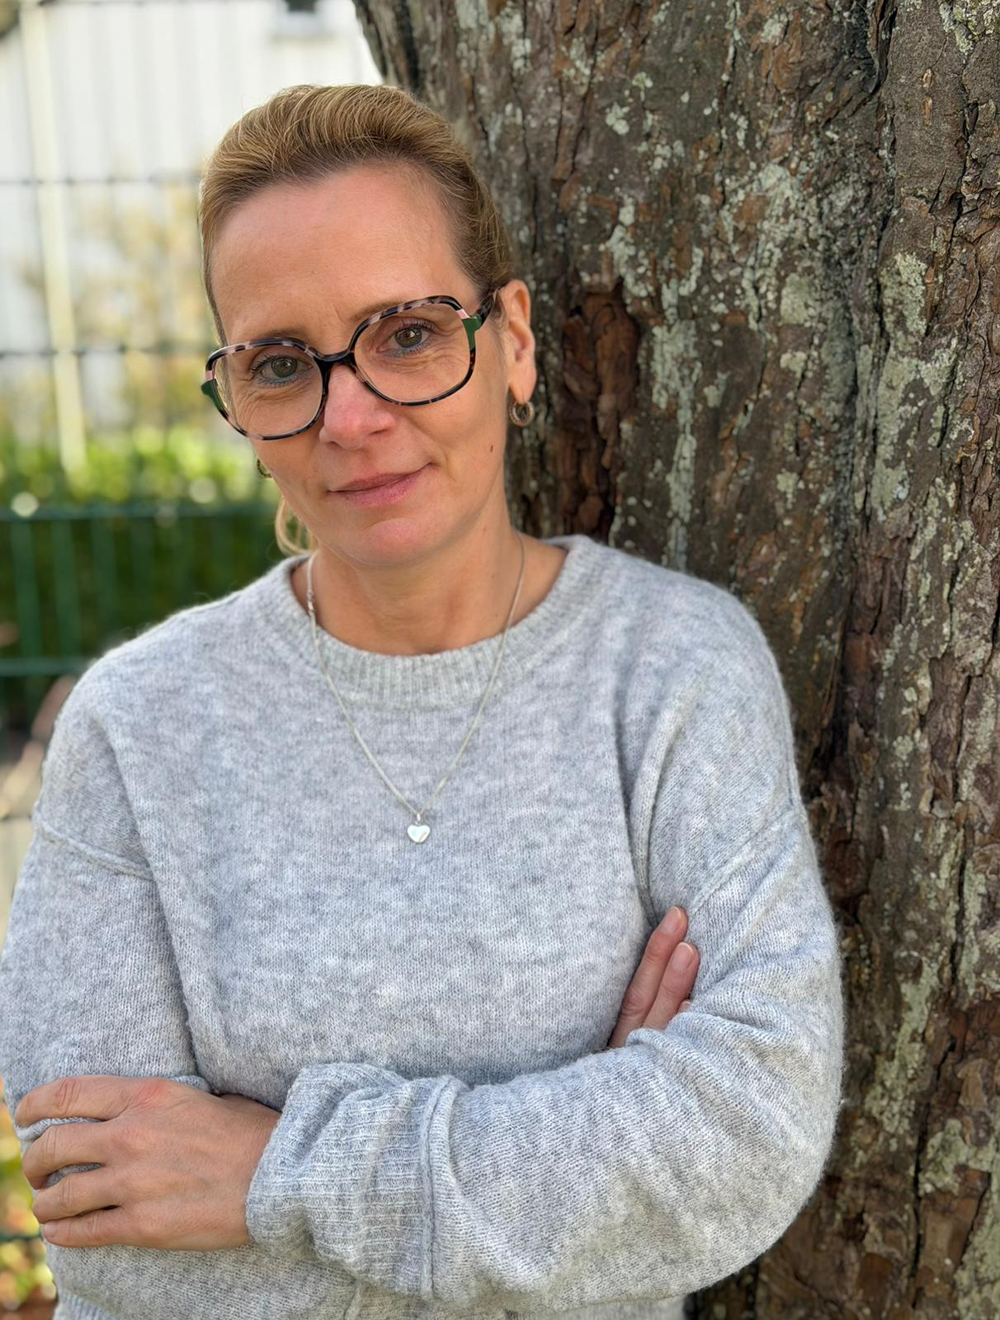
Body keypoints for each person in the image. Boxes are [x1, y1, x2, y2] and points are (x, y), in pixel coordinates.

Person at [0, 83, 845, 1320]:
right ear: (238, 403)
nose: (350, 416)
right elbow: (102, 1222)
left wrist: (266, 1174)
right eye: (279, 365)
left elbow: (743, 1134)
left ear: (511, 342)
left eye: (405, 334)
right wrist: (574, 1159)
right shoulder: (139, 728)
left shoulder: (669, 670)